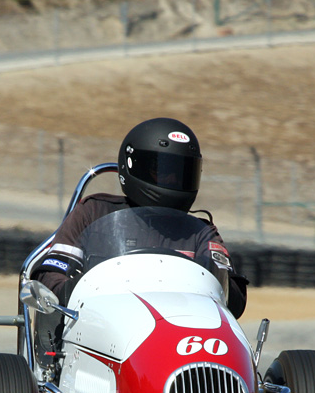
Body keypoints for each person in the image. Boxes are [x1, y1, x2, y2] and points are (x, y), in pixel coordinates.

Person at [33, 117, 248, 318]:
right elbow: (52, 276)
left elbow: (232, 300)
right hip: (101, 327)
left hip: (175, 332)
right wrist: (81, 292)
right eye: (163, 170)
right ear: (133, 165)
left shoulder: (200, 232)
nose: (172, 179)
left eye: (182, 173)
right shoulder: (94, 213)